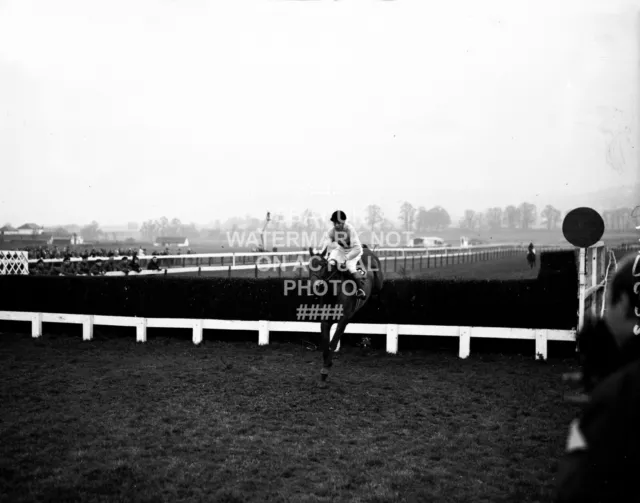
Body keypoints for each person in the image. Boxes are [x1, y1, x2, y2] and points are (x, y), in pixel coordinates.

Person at [554, 252, 640, 502]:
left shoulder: (620, 394)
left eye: (608, 301)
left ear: (623, 303)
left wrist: (604, 392)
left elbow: (576, 488)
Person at [318, 210, 366, 298]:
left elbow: (357, 249)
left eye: (338, 223)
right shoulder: (331, 231)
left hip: (354, 250)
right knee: (330, 262)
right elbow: (326, 245)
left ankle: (360, 289)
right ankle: (323, 283)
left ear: (343, 222)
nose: (336, 225)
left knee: (349, 266)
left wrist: (346, 259)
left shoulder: (350, 230)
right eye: (334, 223)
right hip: (341, 249)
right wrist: (322, 256)